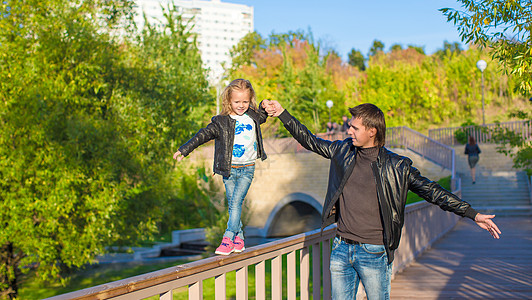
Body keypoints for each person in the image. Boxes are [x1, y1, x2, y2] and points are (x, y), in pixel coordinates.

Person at [262, 100, 501, 300]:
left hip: (374, 253)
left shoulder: (398, 166)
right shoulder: (342, 151)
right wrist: (282, 113)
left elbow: (434, 192)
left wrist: (472, 214)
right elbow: (310, 141)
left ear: (372, 131)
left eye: (354, 128)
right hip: (341, 248)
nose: (348, 131)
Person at [173, 79, 268, 255]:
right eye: (237, 102)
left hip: (247, 168)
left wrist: (263, 105)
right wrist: (185, 149)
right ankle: (239, 237)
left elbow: (263, 115)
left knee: (236, 202)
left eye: (245, 102)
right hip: (228, 169)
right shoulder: (221, 122)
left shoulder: (253, 116)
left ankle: (228, 237)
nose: (241, 105)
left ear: (250, 100)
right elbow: (202, 135)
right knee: (233, 205)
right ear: (229, 101)